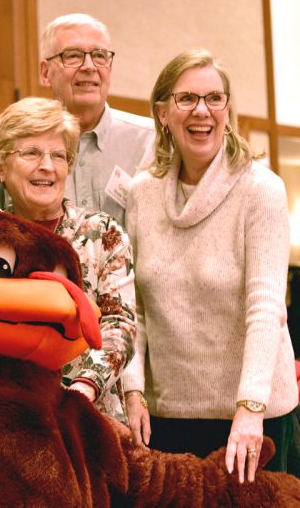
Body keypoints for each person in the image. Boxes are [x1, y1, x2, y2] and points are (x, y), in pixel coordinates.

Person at [121, 49, 298, 483]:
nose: (202, 111)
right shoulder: (143, 192)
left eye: (214, 98)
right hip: (166, 416)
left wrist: (250, 408)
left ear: (228, 109)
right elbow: (134, 305)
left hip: (252, 419)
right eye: (187, 99)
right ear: (162, 113)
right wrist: (133, 389)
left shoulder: (262, 190)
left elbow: (265, 307)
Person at [0, 96, 136, 424]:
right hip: (5, 419)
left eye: (59, 155)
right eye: (31, 153)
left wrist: (82, 389)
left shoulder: (102, 233)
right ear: (0, 167)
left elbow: (119, 325)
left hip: (89, 419)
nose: (47, 166)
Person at [0, 13, 155, 225]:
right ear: (45, 72)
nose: (89, 66)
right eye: (73, 56)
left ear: (110, 69)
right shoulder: (15, 142)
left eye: (100, 56)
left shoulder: (150, 141)